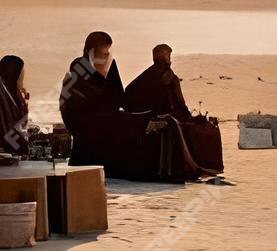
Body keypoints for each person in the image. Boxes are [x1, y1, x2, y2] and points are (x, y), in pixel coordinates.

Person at [62, 32, 213, 182]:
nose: (107, 58)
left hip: (106, 124)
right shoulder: (77, 77)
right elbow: (79, 117)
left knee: (157, 123)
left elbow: (118, 100)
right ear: (91, 54)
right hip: (90, 137)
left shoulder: (101, 73)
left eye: (108, 53)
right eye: (103, 53)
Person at [126, 44, 225, 175]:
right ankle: (207, 165)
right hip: (168, 120)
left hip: (143, 120)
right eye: (168, 56)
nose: (170, 60)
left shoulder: (143, 78)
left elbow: (128, 93)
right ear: (165, 57)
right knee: (205, 130)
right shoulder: (170, 77)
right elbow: (179, 104)